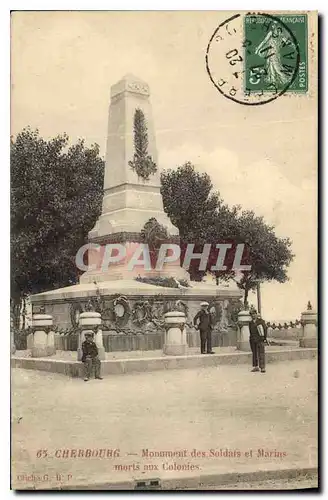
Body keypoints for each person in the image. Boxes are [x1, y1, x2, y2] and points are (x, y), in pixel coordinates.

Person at [249, 309, 268, 373]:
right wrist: (251, 339)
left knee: (261, 353)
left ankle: (262, 367)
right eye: (251, 314)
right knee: (254, 353)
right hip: (253, 340)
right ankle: (256, 367)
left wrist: (264, 338)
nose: (253, 315)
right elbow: (250, 332)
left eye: (254, 314)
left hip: (260, 340)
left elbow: (265, 329)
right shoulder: (250, 323)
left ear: (256, 314)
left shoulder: (261, 321)